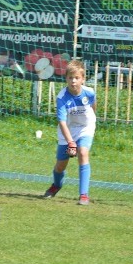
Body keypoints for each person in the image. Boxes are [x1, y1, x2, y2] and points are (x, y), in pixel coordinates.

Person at [42, 59, 96, 205]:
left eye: (77, 78)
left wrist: (91, 121)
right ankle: (56, 185)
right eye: (70, 78)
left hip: (85, 127)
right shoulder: (62, 98)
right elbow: (62, 122)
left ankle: (83, 195)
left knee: (83, 153)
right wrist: (71, 142)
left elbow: (93, 107)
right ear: (66, 78)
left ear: (83, 79)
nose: (73, 81)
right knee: (60, 165)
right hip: (67, 131)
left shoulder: (89, 93)